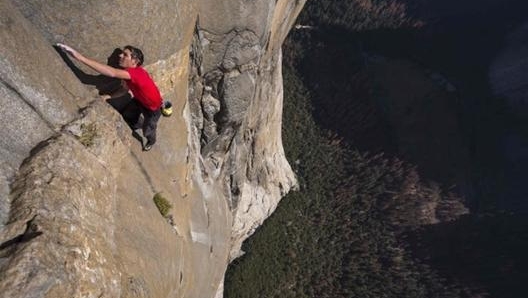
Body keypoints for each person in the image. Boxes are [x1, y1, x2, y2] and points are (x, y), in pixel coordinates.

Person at [57, 43, 163, 151]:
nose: (120, 56)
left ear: (134, 61)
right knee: (129, 114)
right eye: (122, 53)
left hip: (153, 109)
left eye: (125, 55)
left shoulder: (135, 74)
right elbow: (124, 89)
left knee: (148, 129)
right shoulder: (129, 74)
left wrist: (80, 58)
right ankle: (138, 124)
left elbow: (112, 73)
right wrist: (109, 96)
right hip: (140, 100)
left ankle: (151, 140)